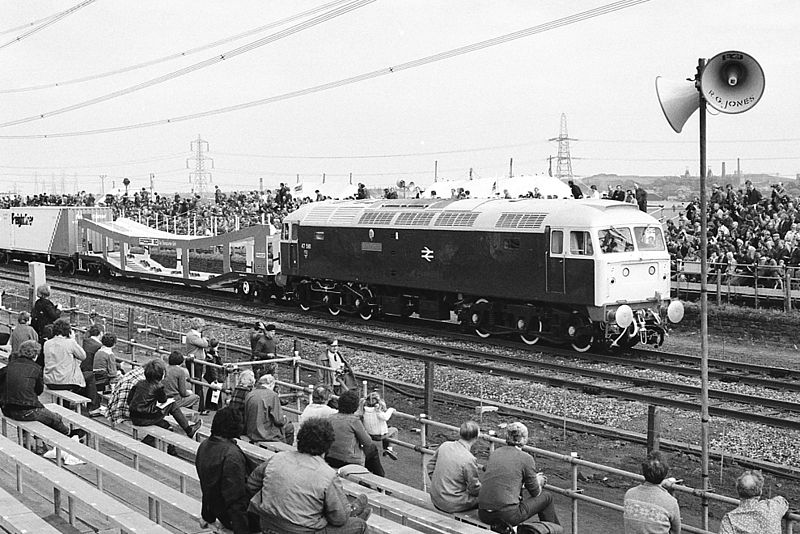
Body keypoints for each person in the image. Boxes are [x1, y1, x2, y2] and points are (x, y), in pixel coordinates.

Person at [246, 417, 371, 534]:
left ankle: (352, 510)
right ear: (328, 445)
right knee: (360, 525)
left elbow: (251, 484)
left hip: (268, 524)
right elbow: (339, 519)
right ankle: (352, 511)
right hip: (302, 530)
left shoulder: (277, 458)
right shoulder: (327, 474)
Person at [478, 422, 559, 531]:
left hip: (484, 514)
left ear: (507, 437)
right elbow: (535, 492)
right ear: (524, 439)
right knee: (547, 497)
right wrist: (538, 480)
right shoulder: (526, 458)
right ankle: (554, 530)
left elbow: (492, 470)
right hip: (507, 515)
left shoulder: (496, 452)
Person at [195, 407, 259, 534]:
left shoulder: (204, 445)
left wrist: (207, 515)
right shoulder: (231, 455)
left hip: (218, 508)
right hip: (233, 516)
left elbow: (208, 486)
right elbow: (235, 498)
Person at [1, 340, 75, 437]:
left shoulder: (8, 367)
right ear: (35, 355)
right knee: (55, 418)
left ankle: (38, 442)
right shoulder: (36, 369)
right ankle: (69, 435)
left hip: (7, 409)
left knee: (44, 416)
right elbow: (39, 390)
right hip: (27, 410)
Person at [127, 358, 202, 448]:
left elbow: (129, 400)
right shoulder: (158, 386)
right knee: (172, 404)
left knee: (166, 425)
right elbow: (163, 400)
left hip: (134, 416)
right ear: (161, 375)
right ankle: (189, 430)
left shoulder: (139, 383)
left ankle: (169, 449)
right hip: (145, 417)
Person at [43, 319, 102, 417]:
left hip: (50, 381)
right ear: (68, 331)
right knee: (90, 376)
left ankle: (66, 404)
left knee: (76, 378)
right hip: (65, 381)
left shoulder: (47, 343)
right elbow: (83, 356)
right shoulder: (70, 342)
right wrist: (73, 339)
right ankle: (94, 407)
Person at [427, 420, 483, 513]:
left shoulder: (445, 445)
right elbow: (474, 488)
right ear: (476, 437)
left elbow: (430, 465)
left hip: (436, 497)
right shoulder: (469, 459)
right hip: (452, 503)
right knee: (486, 500)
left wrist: (438, 484)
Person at [326, 389, 384, 477]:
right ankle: (380, 478)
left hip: (330, 457)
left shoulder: (330, 418)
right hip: (348, 461)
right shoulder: (354, 421)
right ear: (356, 406)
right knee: (372, 449)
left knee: (368, 450)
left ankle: (370, 478)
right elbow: (367, 441)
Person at [622, 451, 680, 534]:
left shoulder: (629, 494)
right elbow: (676, 531)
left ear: (643, 471)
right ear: (665, 473)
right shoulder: (671, 502)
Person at [719, 470, 789, 534]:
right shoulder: (772, 507)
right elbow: (782, 500)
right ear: (760, 491)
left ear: (738, 490)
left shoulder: (730, 520)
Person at [243, 373, 286, 443]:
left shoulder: (250, 394)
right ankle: (286, 451)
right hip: (266, 435)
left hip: (251, 431)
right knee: (289, 428)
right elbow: (279, 420)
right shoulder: (273, 395)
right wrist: (285, 419)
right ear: (271, 384)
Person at [361, 391, 399, 460]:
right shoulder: (377, 411)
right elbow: (386, 417)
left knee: (388, 429)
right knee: (394, 430)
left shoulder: (364, 410)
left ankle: (386, 450)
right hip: (379, 436)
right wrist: (391, 409)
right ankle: (389, 449)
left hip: (368, 434)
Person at [184, 317, 210, 414]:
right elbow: (204, 344)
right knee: (198, 384)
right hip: (194, 362)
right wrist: (204, 338)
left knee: (197, 383)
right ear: (199, 326)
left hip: (197, 361)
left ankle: (196, 405)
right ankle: (200, 407)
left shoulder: (194, 335)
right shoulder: (192, 336)